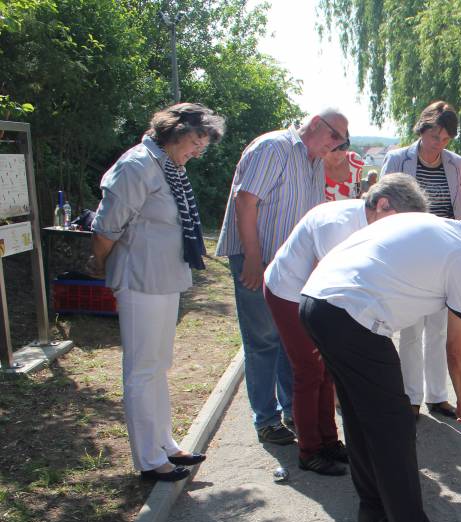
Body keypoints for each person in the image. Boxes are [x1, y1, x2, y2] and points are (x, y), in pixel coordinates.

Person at [299, 212, 461, 522]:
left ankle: (373, 507)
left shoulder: (434, 225)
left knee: (359, 412)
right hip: (351, 316)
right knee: (395, 426)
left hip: (316, 303)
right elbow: (458, 347)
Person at [88, 103, 225, 481]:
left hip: (164, 280)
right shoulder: (137, 166)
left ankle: (165, 444)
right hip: (140, 280)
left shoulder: (168, 167)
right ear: (176, 132)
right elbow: (105, 229)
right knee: (142, 370)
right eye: (197, 141)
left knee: (157, 366)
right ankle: (149, 460)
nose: (199, 150)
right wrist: (99, 264)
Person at [263, 174, 428, 476]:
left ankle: (329, 441)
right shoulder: (337, 225)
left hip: (315, 294)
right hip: (289, 291)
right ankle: (309, 451)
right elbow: (330, 287)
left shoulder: (373, 221)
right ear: (382, 204)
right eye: (401, 220)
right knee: (309, 371)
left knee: (327, 370)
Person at [215, 108, 350, 446]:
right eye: (335, 137)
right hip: (257, 260)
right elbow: (246, 203)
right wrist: (251, 258)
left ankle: (293, 409)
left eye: (342, 142)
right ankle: (267, 419)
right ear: (317, 124)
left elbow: (313, 216)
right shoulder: (272, 147)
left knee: (292, 342)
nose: (336, 146)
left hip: (291, 268)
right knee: (263, 341)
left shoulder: (315, 160)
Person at [381, 101, 461, 419]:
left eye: (446, 139)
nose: (440, 145)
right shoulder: (397, 159)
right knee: (410, 329)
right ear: (423, 130)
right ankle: (410, 397)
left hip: (443, 255)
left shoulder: (456, 164)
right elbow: (381, 205)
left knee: (439, 330)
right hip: (406, 255)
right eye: (436, 137)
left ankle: (437, 396)